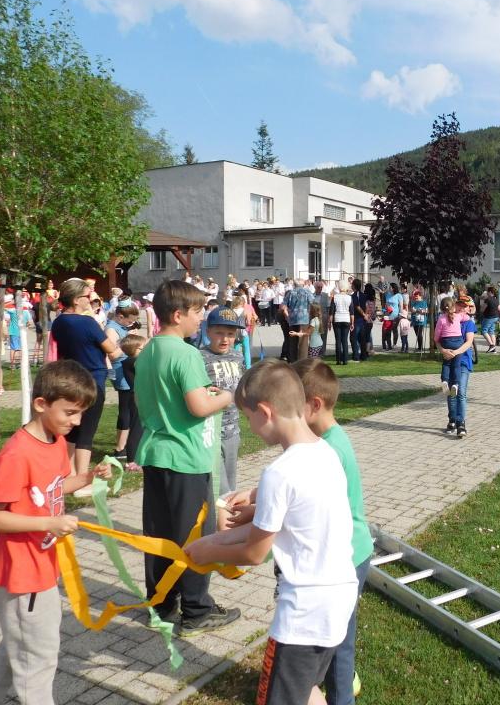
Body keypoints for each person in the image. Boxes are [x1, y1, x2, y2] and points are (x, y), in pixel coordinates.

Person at [184, 361, 357, 705]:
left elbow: (254, 553)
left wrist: (210, 553)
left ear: (265, 412)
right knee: (306, 688)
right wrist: (216, 539)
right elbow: (282, 527)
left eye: (248, 418)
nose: (250, 427)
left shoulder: (279, 473)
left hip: (303, 613)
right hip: (338, 598)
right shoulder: (326, 453)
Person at [0, 360, 111, 705]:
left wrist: (88, 477)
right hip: (20, 573)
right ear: (41, 404)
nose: (77, 421)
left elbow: (55, 487)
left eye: (81, 413)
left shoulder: (55, 441)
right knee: (39, 656)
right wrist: (48, 524)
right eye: (70, 412)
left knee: (19, 642)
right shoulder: (16, 455)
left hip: (42, 564)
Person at [135, 279, 240, 635]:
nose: (201, 319)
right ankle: (197, 610)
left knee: (160, 535)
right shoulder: (186, 353)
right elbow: (198, 407)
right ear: (178, 315)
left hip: (155, 453)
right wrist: (226, 397)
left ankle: (161, 604)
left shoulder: (148, 350)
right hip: (186, 457)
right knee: (195, 534)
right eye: (197, 312)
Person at [290, 358, 373, 705]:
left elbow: (306, 505)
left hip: (345, 559)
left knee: (336, 644)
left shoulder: (329, 450)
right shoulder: (329, 440)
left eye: (291, 407)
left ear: (314, 405)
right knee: (337, 640)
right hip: (352, 553)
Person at [50, 279, 121, 478]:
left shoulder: (58, 322)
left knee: (72, 429)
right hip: (93, 381)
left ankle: (69, 473)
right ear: (75, 300)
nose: (90, 300)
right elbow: (111, 349)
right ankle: (82, 478)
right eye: (87, 296)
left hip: (70, 379)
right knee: (87, 432)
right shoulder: (88, 322)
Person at [201, 306, 248, 528]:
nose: (225, 338)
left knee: (230, 486)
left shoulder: (237, 356)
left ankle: (222, 531)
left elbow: (242, 387)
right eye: (219, 333)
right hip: (210, 432)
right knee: (221, 490)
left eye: (230, 333)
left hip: (232, 431)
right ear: (208, 331)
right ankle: (224, 534)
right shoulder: (199, 357)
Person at [106, 301, 141, 463]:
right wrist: (128, 340)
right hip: (123, 373)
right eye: (129, 321)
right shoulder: (111, 329)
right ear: (120, 316)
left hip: (129, 370)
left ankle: (124, 445)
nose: (130, 323)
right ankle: (121, 448)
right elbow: (112, 354)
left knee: (129, 410)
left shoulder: (121, 327)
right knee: (126, 411)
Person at [437, 296, 475, 438]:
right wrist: (443, 351)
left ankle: (461, 423)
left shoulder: (468, 323)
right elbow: (438, 340)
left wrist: (455, 352)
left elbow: (469, 342)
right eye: (460, 305)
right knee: (451, 392)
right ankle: (452, 419)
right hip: (449, 357)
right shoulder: (445, 318)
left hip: (463, 361)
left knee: (461, 392)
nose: (462, 308)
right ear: (454, 305)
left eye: (465, 306)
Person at [119, 333, 148, 472]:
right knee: (137, 428)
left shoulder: (132, 361)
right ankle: (132, 460)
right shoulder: (132, 361)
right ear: (135, 349)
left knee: (141, 427)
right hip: (138, 397)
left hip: (140, 396)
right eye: (143, 348)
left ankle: (140, 457)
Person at [329, 285, 353, 365]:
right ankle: (345, 360)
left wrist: (329, 322)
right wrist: (352, 323)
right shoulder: (349, 298)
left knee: (338, 340)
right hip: (346, 319)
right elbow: (352, 312)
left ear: (339, 288)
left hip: (337, 319)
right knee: (345, 340)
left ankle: (338, 360)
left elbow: (331, 311)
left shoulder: (335, 297)